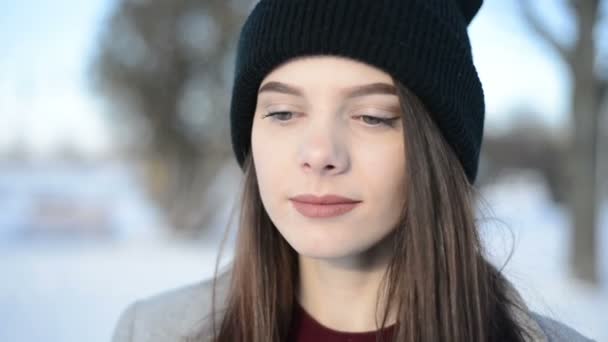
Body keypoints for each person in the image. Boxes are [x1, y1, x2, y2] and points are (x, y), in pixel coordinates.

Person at [111, 0, 596, 341]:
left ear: (437, 151)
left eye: (372, 116)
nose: (320, 153)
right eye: (282, 112)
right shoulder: (150, 333)